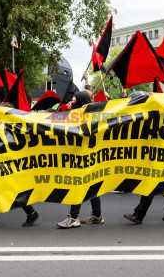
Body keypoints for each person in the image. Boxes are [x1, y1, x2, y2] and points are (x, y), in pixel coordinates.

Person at [0, 101, 39, 227]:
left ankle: (30, 213)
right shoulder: (0, 124)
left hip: (8, 163)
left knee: (7, 188)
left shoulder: (13, 125)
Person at [123, 91, 164, 224]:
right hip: (157, 154)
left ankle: (139, 214)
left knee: (150, 184)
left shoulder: (155, 111)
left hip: (160, 154)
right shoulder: (144, 114)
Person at [57, 91, 104, 228]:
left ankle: (73, 218)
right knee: (92, 186)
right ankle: (97, 215)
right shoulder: (90, 114)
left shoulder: (83, 116)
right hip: (91, 157)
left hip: (82, 157)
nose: (72, 102)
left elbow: (58, 122)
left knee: (77, 185)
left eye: (74, 100)